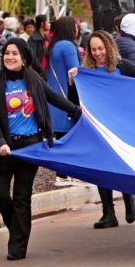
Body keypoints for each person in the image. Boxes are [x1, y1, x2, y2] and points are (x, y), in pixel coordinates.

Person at [0, 38, 80, 260]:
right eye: (7, 53)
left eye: (15, 54)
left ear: (24, 58)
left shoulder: (34, 81)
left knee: (22, 197)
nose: (9, 57)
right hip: (5, 148)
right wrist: (0, 142)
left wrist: (78, 112)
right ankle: (17, 229)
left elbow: (55, 98)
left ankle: (17, 246)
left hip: (30, 147)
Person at [81, 32, 135, 229]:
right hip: (97, 127)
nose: (97, 53)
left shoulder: (122, 67)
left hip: (121, 126)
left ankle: (129, 195)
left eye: (100, 49)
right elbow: (75, 97)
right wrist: (72, 79)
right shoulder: (86, 71)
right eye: (93, 49)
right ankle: (108, 213)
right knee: (101, 168)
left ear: (109, 47)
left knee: (120, 165)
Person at [45, 17, 81, 186]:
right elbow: (75, 73)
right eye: (76, 27)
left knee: (61, 137)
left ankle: (62, 174)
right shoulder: (68, 46)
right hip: (66, 98)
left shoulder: (54, 46)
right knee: (69, 138)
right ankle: (64, 174)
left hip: (55, 98)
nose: (77, 29)